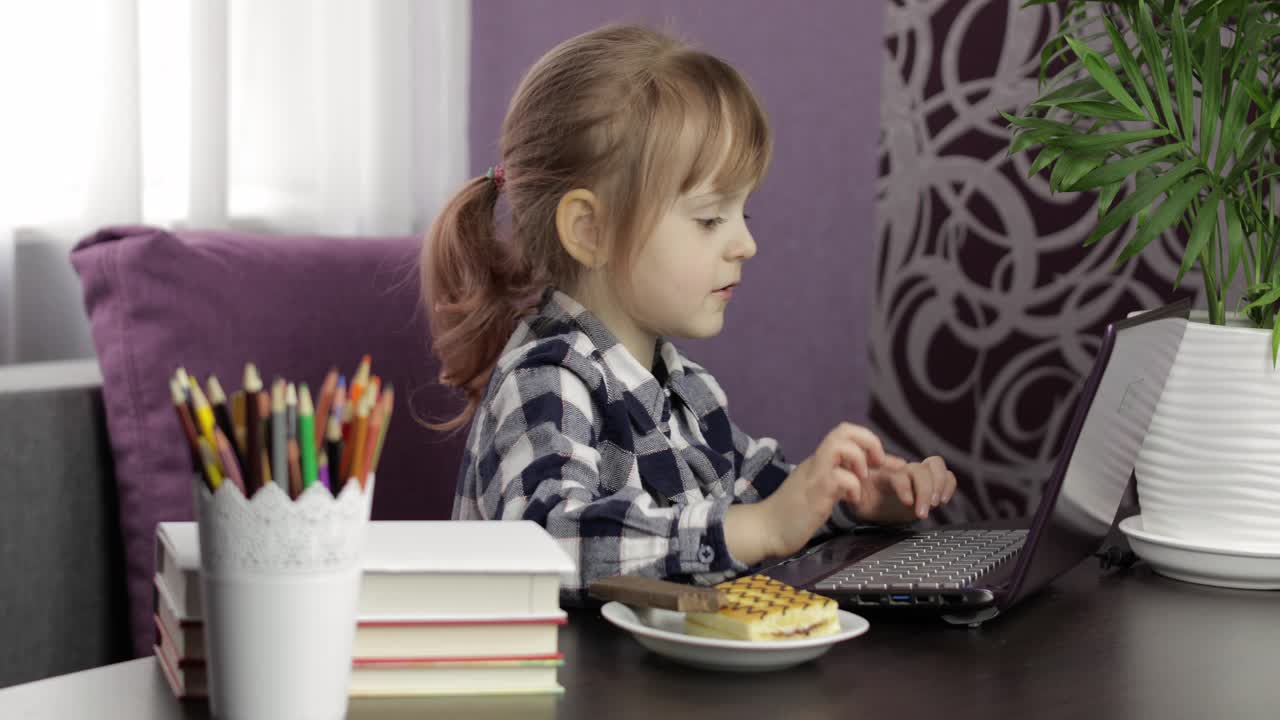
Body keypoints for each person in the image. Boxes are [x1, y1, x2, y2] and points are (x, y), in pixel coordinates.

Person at [422, 24, 956, 602]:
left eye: (743, 214)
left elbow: (768, 496)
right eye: (709, 219)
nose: (745, 244)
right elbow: (547, 546)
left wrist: (851, 497)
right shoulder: (545, 380)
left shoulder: (689, 394)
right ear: (589, 230)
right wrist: (761, 528)